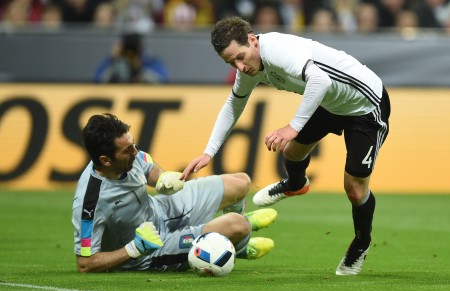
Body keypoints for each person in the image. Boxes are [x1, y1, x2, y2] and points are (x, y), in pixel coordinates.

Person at [181, 16, 391, 276]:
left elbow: (320, 80)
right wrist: (208, 152)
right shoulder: (250, 65)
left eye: (240, 57)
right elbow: (234, 105)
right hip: (330, 102)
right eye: (231, 62)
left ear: (252, 40)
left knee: (355, 191)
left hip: (365, 105)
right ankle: (296, 183)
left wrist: (292, 127)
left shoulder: (278, 51)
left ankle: (361, 242)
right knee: (292, 151)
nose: (240, 67)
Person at [72, 113, 276, 273]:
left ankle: (236, 242)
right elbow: (85, 264)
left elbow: (148, 166)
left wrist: (161, 179)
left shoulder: (128, 154)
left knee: (240, 183)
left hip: (162, 209)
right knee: (236, 224)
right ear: (106, 160)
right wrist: (133, 249)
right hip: (153, 249)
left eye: (133, 144)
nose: (135, 151)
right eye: (128, 150)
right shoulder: (89, 203)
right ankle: (239, 242)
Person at [94, 33, 169, 84]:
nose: (129, 54)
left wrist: (140, 70)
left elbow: (163, 82)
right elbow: (97, 81)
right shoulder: (113, 60)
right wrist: (112, 60)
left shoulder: (150, 60)